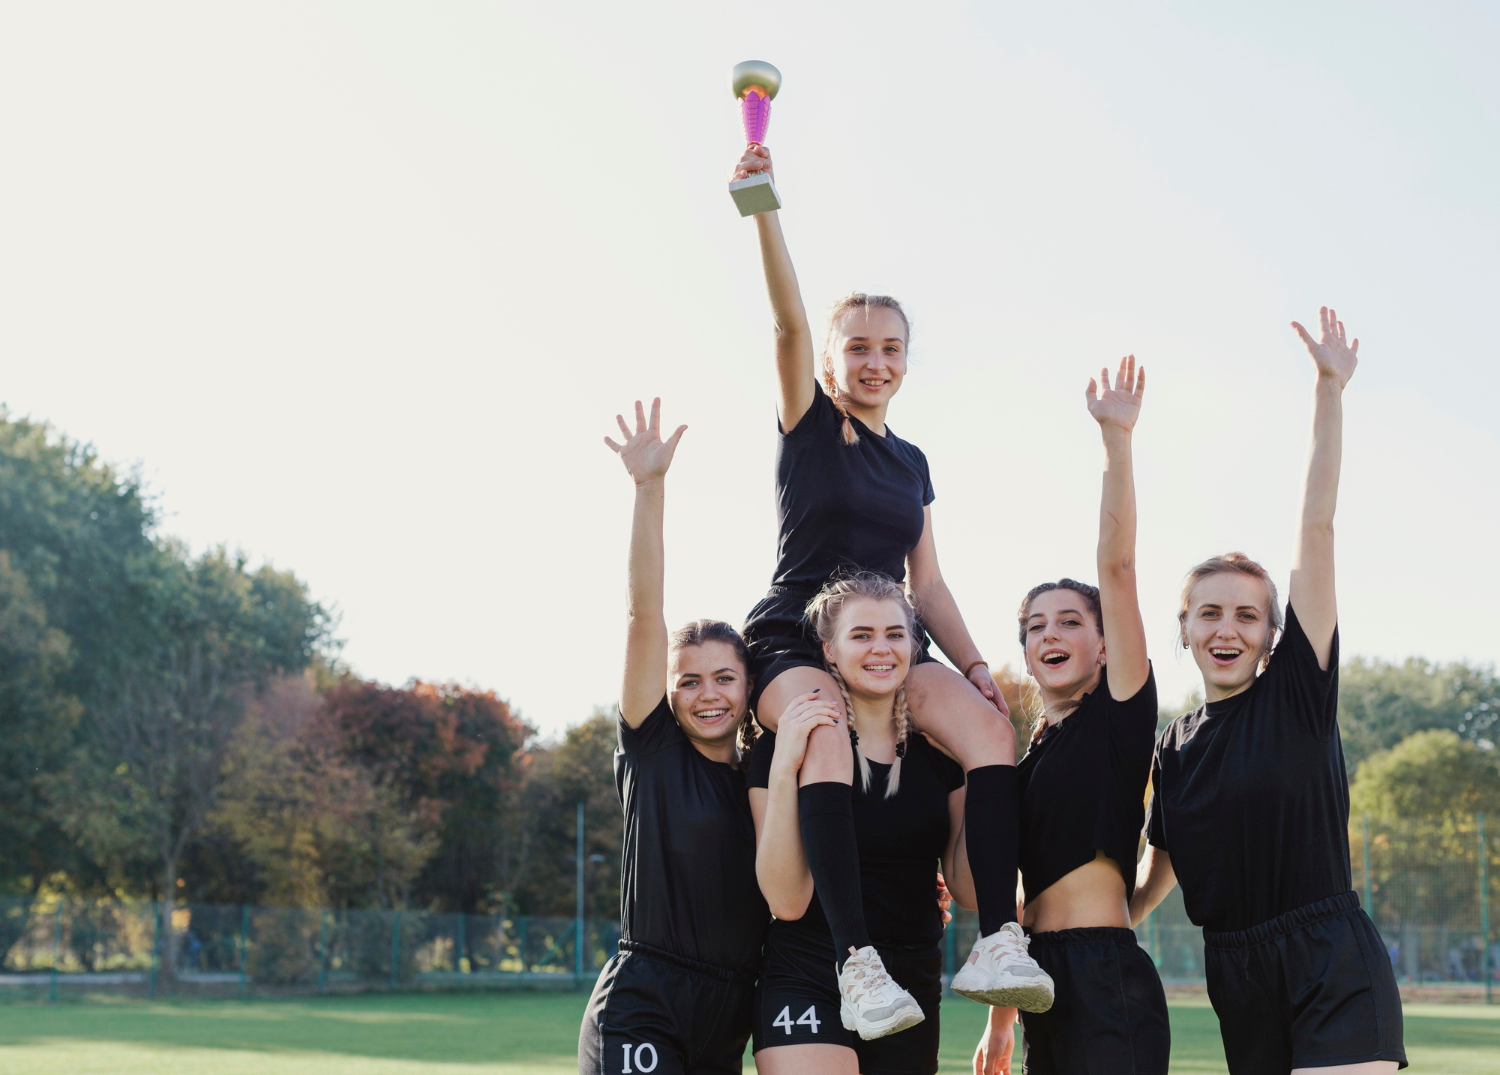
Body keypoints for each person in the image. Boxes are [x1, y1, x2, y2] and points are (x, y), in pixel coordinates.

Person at [732, 143, 1051, 1037]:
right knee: (823, 730)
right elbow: (787, 326)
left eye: (891, 348)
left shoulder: (911, 462)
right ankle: (857, 963)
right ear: (834, 360)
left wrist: (981, 663)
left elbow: (932, 582)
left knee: (992, 731)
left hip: (889, 639)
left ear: (906, 359)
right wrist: (764, 208)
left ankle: (995, 940)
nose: (876, 362)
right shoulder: (811, 427)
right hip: (798, 639)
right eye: (859, 347)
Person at [1131, 309, 1406, 1074]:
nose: (1228, 627)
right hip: (1237, 977)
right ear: (1182, 627)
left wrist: (1329, 389)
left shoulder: (1297, 692)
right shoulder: (1173, 745)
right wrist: (1103, 923)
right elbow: (1165, 868)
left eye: (1247, 614)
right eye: (1209, 612)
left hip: (1330, 961)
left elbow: (1315, 527)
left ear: (1272, 632)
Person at [973, 356, 1169, 1075]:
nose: (1049, 635)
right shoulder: (1027, 761)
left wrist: (1116, 440)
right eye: (1035, 626)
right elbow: (1017, 903)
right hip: (1040, 980)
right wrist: (1001, 1021)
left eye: (1067, 621)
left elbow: (1117, 568)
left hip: (1104, 974)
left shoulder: (1118, 714)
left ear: (1105, 641)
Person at [579, 399, 768, 1075]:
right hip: (645, 995)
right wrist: (649, 489)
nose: (708, 693)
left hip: (730, 1009)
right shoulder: (652, 750)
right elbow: (643, 614)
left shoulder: (765, 782)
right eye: (689, 681)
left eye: (724, 678)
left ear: (749, 688)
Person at [748, 571, 974, 1075]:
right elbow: (786, 900)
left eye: (895, 634)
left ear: (914, 647)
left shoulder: (940, 756)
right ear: (829, 651)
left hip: (911, 976)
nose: (881, 649)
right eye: (861, 635)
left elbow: (970, 890)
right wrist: (786, 766)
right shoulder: (785, 744)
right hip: (810, 968)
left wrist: (981, 761)